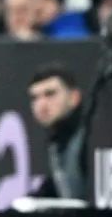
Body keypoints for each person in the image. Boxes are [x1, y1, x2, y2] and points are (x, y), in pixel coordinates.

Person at [26, 64, 88, 201]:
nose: (41, 104)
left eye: (50, 94)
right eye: (34, 98)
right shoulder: (56, 142)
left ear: (74, 98)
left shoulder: (89, 139)